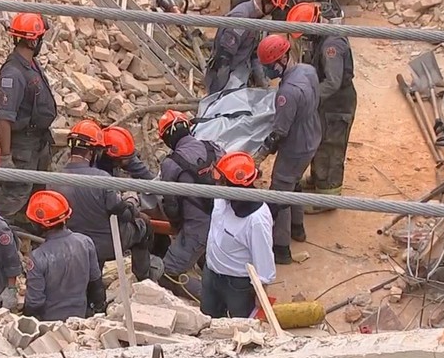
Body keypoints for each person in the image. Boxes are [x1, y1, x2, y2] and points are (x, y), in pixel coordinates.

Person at [51, 120, 156, 282]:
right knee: (144, 226)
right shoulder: (101, 179)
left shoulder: (53, 180)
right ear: (94, 152)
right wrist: (132, 201)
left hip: (75, 244)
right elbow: (125, 214)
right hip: (108, 243)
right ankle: (144, 279)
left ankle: (94, 286)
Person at [256, 34, 321, 262]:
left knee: (280, 192)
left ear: (281, 60)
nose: (266, 72)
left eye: (268, 66)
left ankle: (280, 248)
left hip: (296, 145)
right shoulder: (307, 70)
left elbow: (279, 133)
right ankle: (298, 228)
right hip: (312, 134)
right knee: (294, 183)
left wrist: (260, 154)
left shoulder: (288, 93)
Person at [0, 12, 58, 220]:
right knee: (14, 195)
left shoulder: (29, 64)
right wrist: (5, 157)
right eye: (39, 38)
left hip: (38, 143)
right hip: (24, 147)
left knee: (38, 195)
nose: (40, 42)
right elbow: (4, 118)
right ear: (31, 40)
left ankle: (28, 234)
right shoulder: (13, 73)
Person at [156, 110, 224, 301]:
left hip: (197, 229)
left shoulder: (171, 164)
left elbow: (171, 207)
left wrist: (178, 227)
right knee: (207, 258)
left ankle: (214, 303)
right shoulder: (212, 148)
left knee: (168, 273)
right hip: (223, 223)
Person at [296, 3, 357, 211]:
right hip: (328, 102)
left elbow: (333, 82)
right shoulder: (321, 38)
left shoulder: (331, 45)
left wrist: (308, 97)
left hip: (338, 104)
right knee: (320, 141)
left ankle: (328, 198)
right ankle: (317, 179)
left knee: (331, 147)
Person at [202, 152, 276, 318]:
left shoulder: (256, 219)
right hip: (211, 272)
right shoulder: (222, 198)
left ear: (234, 185)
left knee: (242, 329)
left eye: (222, 180)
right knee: (207, 321)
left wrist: (261, 291)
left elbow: (263, 256)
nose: (217, 183)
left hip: (237, 285)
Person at [23, 190, 105, 320]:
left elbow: (34, 302)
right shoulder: (85, 242)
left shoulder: (38, 257)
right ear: (66, 217)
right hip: (80, 317)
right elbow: (96, 283)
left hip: (50, 325)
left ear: (39, 225)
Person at [204, 0, 290, 96]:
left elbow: (255, 54)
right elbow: (223, 59)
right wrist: (222, 93)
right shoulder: (240, 18)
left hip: (240, 75)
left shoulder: (257, 20)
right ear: (270, 5)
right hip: (226, 77)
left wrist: (263, 85)